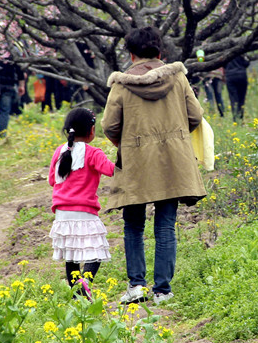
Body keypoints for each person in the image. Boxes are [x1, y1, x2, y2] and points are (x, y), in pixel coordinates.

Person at [101, 26, 206, 305]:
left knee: (133, 225)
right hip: (174, 162)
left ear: (132, 54)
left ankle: (136, 286)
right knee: (166, 225)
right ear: (160, 52)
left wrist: (127, 145)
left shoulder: (121, 85)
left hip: (136, 163)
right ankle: (162, 290)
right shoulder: (179, 78)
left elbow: (109, 125)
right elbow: (195, 115)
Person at [49, 108, 115, 298]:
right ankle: (85, 282)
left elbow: (52, 181)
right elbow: (112, 170)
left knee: (71, 256)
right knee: (95, 251)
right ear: (92, 130)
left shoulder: (59, 152)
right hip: (85, 212)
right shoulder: (94, 153)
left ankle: (78, 295)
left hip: (62, 215)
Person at [0, 54, 25, 139]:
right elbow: (19, 71)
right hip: (8, 85)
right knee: (4, 111)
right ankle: (2, 134)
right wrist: (21, 85)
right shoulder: (12, 52)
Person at [224, 55, 249, 122]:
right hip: (242, 75)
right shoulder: (241, 50)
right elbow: (246, 63)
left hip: (230, 76)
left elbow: (223, 64)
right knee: (241, 98)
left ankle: (235, 119)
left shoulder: (226, 52)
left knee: (233, 98)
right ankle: (240, 117)